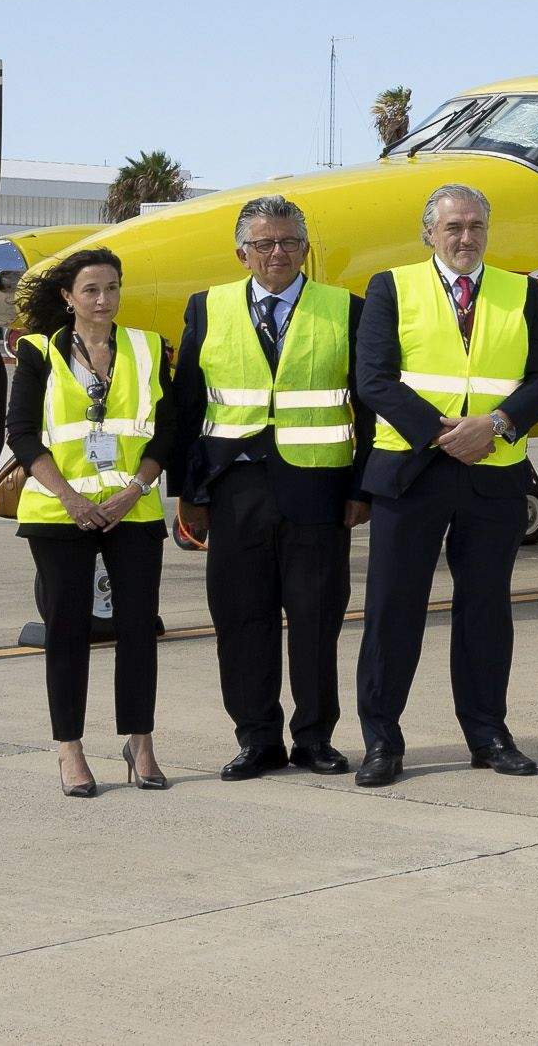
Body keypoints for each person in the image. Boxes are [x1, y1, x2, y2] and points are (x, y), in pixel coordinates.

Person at [351, 184, 538, 788]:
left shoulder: (521, 290)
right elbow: (373, 379)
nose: (465, 237)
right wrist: (443, 433)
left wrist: (495, 425)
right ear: (429, 233)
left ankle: (487, 734)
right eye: (453, 228)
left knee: (486, 610)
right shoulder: (390, 288)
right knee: (394, 611)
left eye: (475, 226)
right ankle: (383, 741)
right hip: (412, 471)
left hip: (494, 474)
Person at [165, 196, 371, 781]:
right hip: (234, 490)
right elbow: (187, 407)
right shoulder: (208, 308)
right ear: (242, 253)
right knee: (240, 618)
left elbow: (368, 407)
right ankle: (256, 738)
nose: (278, 253)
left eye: (290, 242)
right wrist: (188, 492)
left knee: (317, 619)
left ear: (306, 249)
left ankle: (314, 737)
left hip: (319, 489)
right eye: (265, 244)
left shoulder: (344, 309)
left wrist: (363, 488)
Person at [4, 247, 184, 796]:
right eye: (90, 290)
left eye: (111, 288)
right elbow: (23, 433)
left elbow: (166, 434)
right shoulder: (39, 352)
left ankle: (141, 742)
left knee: (138, 631)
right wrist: (72, 499)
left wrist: (134, 491)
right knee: (67, 632)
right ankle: (70, 751)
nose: (103, 300)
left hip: (132, 510)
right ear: (68, 297)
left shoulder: (146, 347)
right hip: (59, 514)